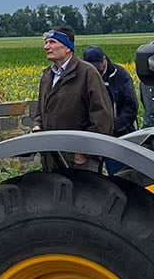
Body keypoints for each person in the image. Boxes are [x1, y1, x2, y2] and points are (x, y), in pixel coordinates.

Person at [32, 30, 113, 172]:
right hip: (52, 157)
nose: (46, 47)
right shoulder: (47, 76)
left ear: (68, 48)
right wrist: (38, 125)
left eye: (52, 42)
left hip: (79, 160)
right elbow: (41, 111)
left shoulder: (87, 73)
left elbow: (102, 117)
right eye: (46, 43)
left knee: (83, 194)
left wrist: (84, 152)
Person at [83, 46, 138, 174]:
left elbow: (131, 106)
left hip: (120, 135)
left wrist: (113, 126)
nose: (95, 69)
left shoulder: (120, 75)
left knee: (120, 174)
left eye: (97, 65)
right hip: (94, 135)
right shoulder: (85, 76)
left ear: (104, 60)